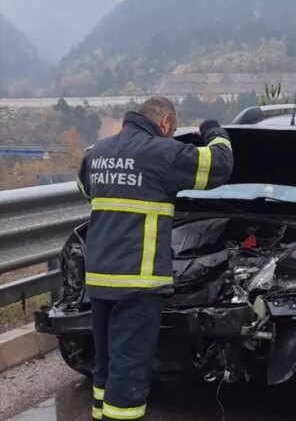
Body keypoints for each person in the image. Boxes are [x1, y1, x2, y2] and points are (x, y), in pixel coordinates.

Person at [77, 97, 234, 420]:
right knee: (130, 370)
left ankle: (99, 414)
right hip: (137, 281)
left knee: (106, 361)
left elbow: (85, 187)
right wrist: (213, 130)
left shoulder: (99, 152)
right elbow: (220, 165)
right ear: (164, 123)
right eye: (172, 130)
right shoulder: (161, 153)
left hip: (99, 278)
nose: (170, 135)